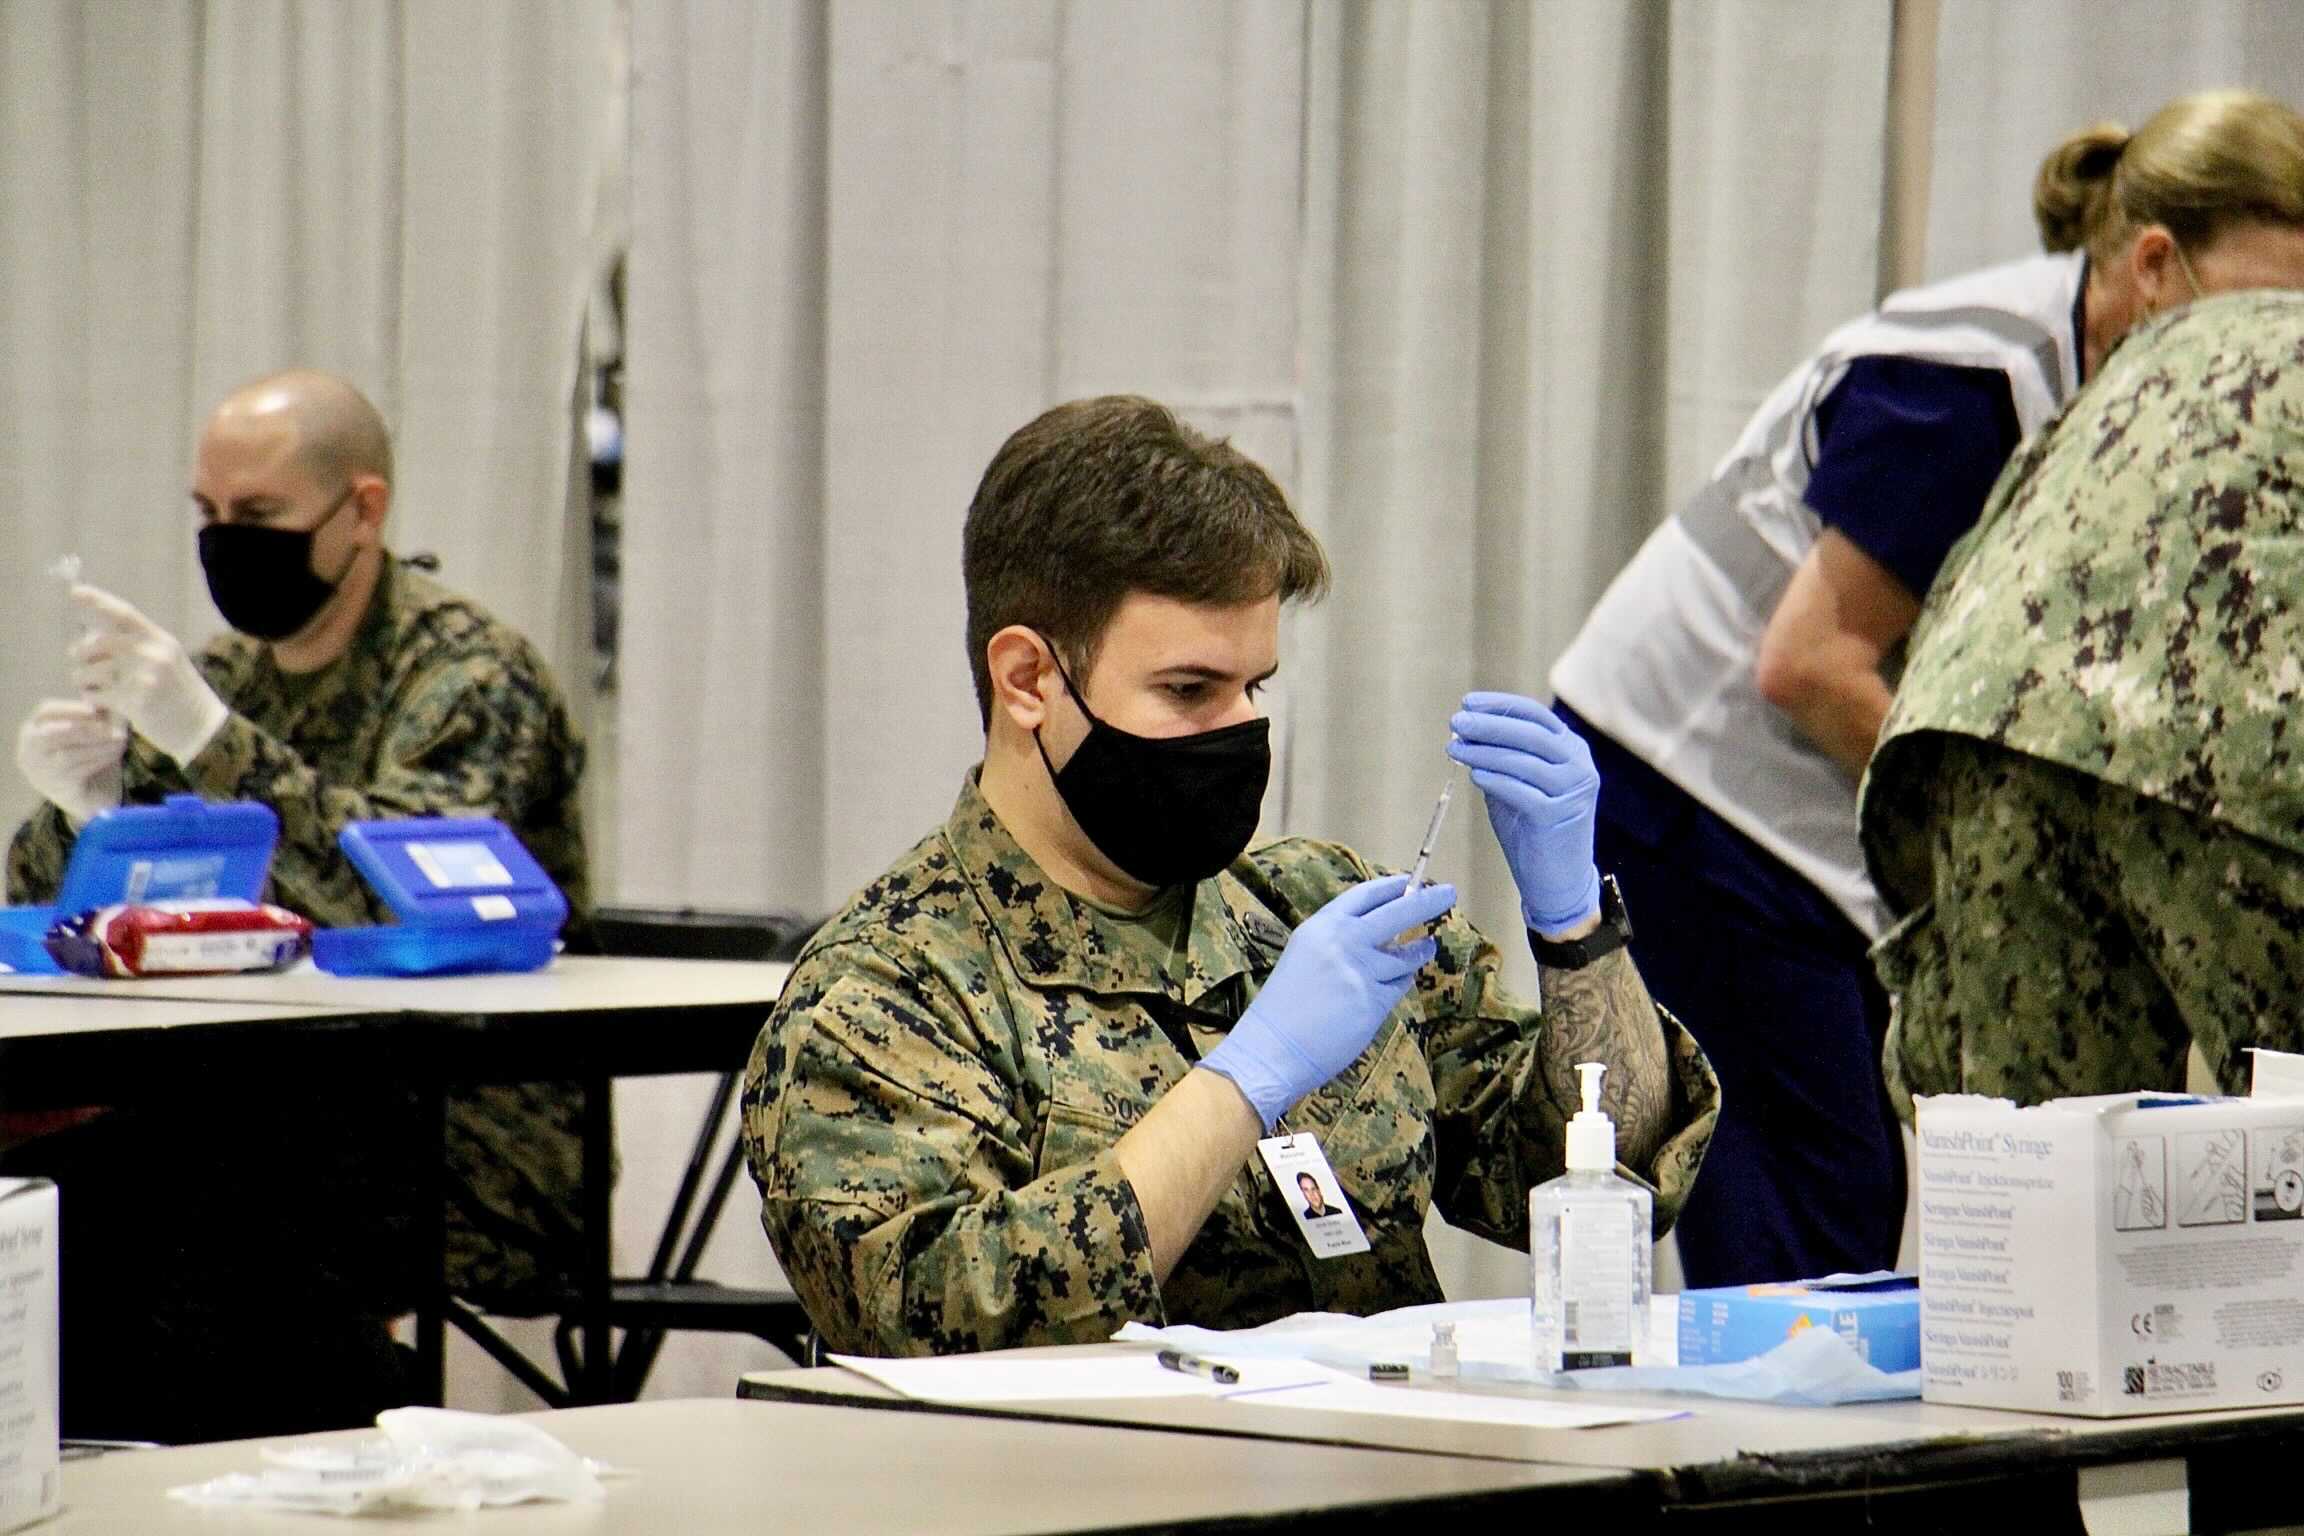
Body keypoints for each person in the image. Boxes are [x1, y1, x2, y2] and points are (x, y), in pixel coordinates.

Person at [744, 395, 1718, 1358]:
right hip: (1104, 1501)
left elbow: (1611, 1169)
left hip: (1393, 1485)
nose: (1240, 730)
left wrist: (1575, 930)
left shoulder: (1315, 916)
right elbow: (927, 1315)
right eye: (1188, 691)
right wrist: (1245, 1083)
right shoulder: (884, 991)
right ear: (1029, 681)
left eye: (1255, 687)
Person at [1546, 89, 2304, 1287]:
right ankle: (1781, 1462)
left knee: (1849, 1173)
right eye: (2266, 310)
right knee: (1814, 1191)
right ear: (2156, 264)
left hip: (1782, 813)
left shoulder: (2095, 380)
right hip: (1696, 786)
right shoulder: (1972, 389)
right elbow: (1810, 666)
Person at [5, 370, 593, 1439]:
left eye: (261, 516)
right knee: (52, 1197)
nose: (229, 542)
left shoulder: (468, 675)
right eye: (211, 516)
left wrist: (208, 740)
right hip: (265, 1107)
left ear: (362, 511)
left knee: (164, 1209)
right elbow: (73, 925)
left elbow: (411, 908)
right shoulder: (235, 677)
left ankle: (341, 1431)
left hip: (464, 1133)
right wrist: (75, 814)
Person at [1861, 289, 2304, 1109]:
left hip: (1989, 731)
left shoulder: (2165, 351)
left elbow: (1974, 578)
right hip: (2226, 752)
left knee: (2044, 1177)